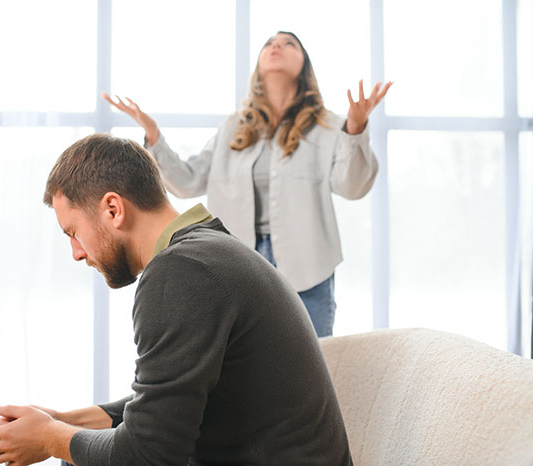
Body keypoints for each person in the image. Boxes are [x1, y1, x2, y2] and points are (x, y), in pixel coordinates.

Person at [0, 133, 354, 466]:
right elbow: (167, 406)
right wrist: (64, 422)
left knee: (75, 455)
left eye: (74, 232)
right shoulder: (208, 251)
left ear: (113, 209)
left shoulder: (180, 271)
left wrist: (50, 438)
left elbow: (149, 455)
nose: (77, 253)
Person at [104, 31, 391, 337]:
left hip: (308, 266)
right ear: (258, 65)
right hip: (237, 264)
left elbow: (353, 186)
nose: (277, 45)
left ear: (304, 66)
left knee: (313, 362)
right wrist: (154, 136)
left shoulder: (329, 125)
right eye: (270, 43)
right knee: (242, 364)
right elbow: (187, 182)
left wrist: (356, 129)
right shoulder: (234, 127)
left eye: (289, 43)